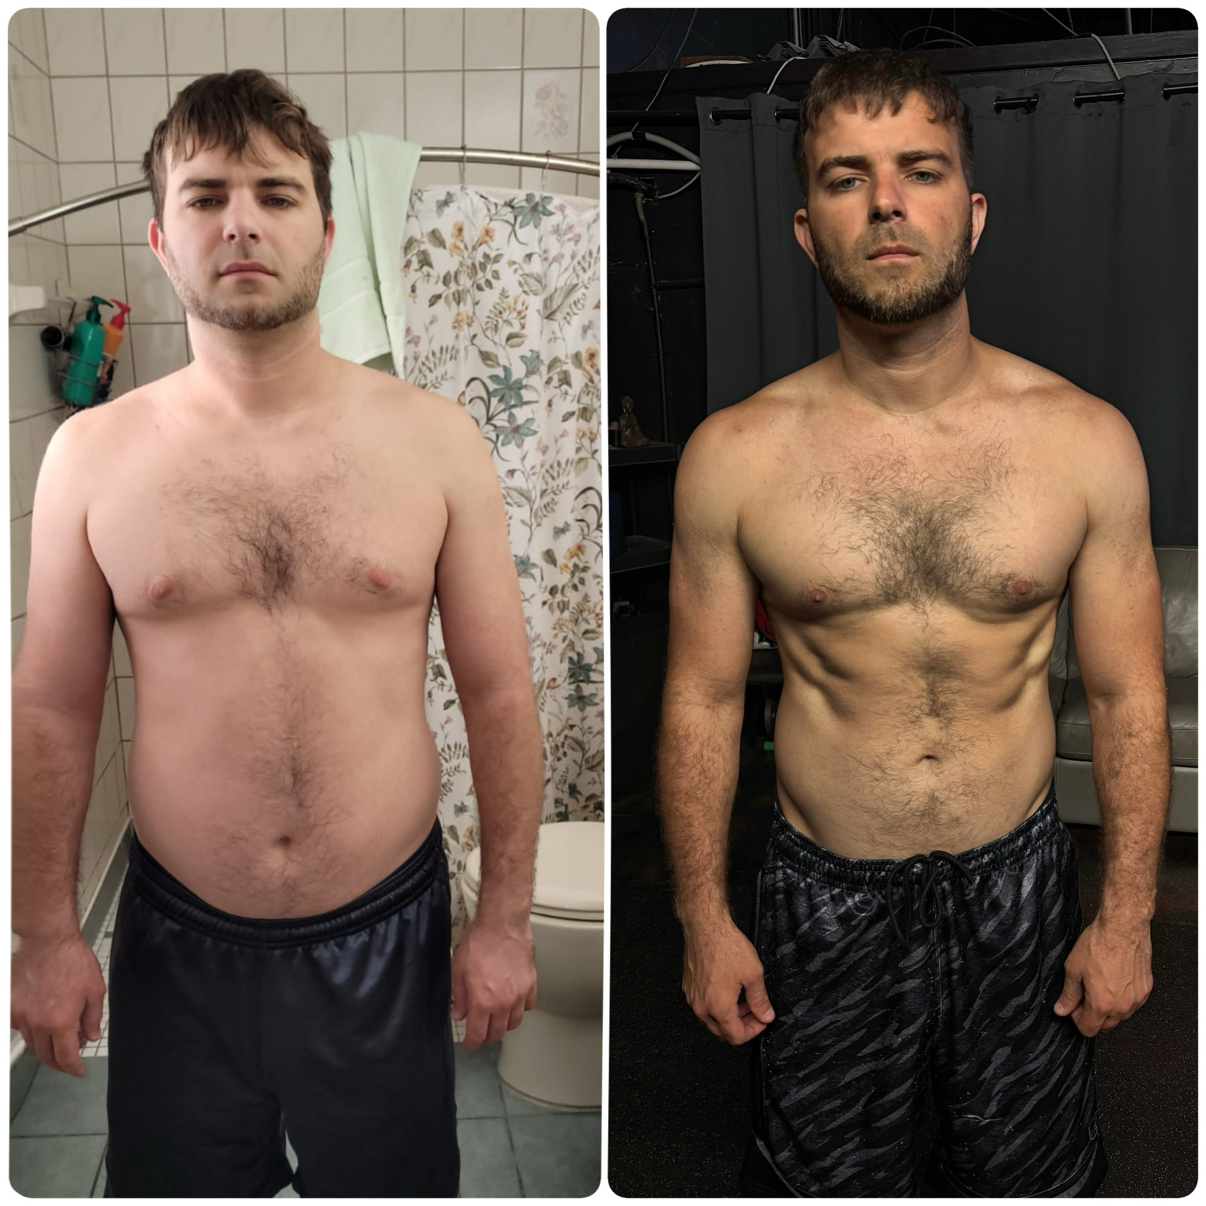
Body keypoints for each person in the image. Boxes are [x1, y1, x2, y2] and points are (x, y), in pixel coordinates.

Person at [11, 70, 543, 1198]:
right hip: (179, 941)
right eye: (205, 196)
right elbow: (51, 706)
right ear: (162, 238)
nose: (241, 220)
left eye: (275, 192)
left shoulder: (435, 443)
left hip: (386, 932)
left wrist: (503, 920)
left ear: (329, 229)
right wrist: (46, 937)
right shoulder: (91, 458)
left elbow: (500, 692)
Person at [658, 47, 1169, 1198]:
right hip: (828, 897)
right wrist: (702, 915)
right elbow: (699, 697)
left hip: (1020, 891)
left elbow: (1132, 696)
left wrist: (1128, 916)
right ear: (806, 230)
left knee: (1034, 1180)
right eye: (846, 178)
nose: (886, 202)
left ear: (970, 212)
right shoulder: (734, 459)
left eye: (919, 169)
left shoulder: (1086, 441)